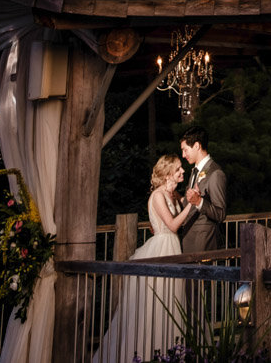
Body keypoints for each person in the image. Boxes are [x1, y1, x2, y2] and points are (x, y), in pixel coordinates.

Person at [92, 154, 194, 362]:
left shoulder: (173, 195)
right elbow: (173, 225)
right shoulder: (157, 196)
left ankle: (171, 352)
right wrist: (191, 205)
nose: (182, 172)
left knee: (172, 301)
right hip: (161, 249)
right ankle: (147, 352)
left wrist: (190, 198)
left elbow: (182, 206)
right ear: (167, 174)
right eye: (178, 169)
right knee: (156, 302)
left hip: (173, 248)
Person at [179, 125, 227, 253]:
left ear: (196, 146)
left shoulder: (215, 173)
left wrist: (199, 202)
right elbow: (188, 204)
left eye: (185, 150)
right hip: (188, 236)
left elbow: (220, 214)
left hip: (203, 240)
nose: (183, 155)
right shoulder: (194, 171)